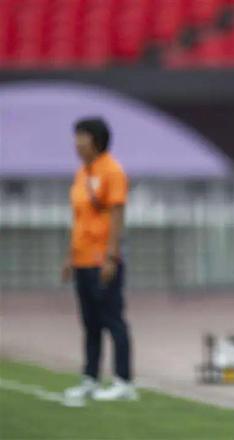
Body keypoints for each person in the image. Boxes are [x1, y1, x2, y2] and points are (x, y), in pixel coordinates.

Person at [62, 118, 137, 401]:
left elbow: (116, 215)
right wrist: (70, 256)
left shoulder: (112, 171)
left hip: (101, 259)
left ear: (95, 140)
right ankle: (90, 378)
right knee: (90, 322)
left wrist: (111, 257)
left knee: (113, 319)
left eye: (81, 137)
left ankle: (123, 381)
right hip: (82, 258)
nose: (76, 143)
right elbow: (79, 218)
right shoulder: (82, 173)